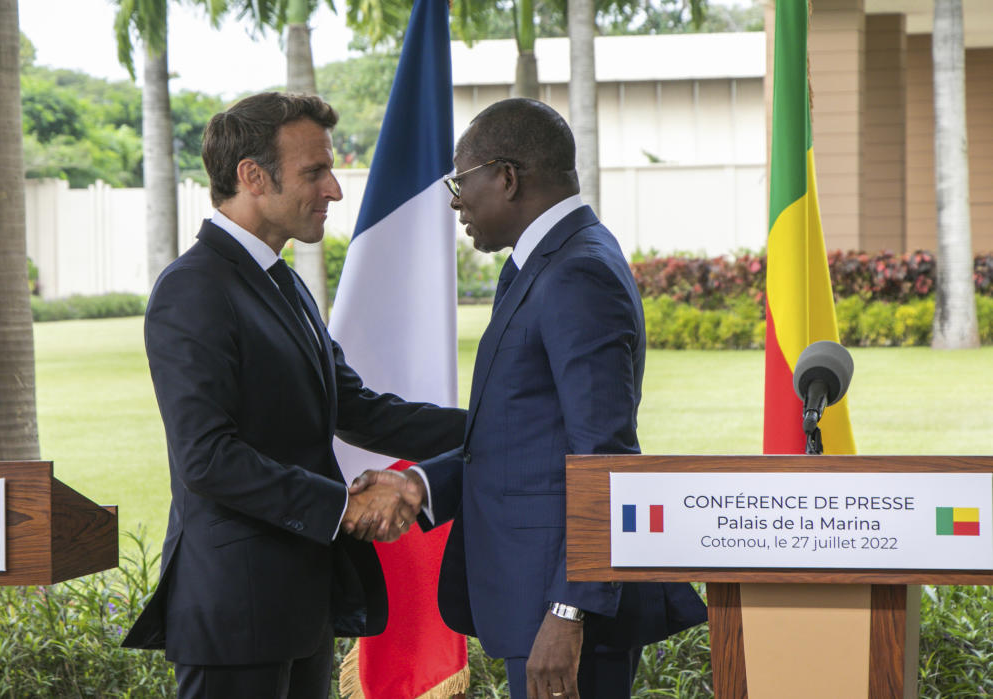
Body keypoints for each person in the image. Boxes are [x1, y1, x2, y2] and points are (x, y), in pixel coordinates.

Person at [356, 98, 707, 699]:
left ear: (507, 177)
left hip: (566, 614)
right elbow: (528, 437)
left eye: (460, 182)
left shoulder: (577, 273)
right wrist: (421, 484)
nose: (455, 202)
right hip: (536, 600)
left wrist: (570, 611)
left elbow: (603, 456)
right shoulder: (542, 264)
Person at [121, 91, 465, 699]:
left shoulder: (283, 282)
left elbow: (357, 411)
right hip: (235, 614)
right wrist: (343, 506)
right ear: (253, 177)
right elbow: (207, 457)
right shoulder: (193, 290)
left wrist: (500, 423)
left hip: (301, 608)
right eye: (315, 172)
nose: (333, 189)